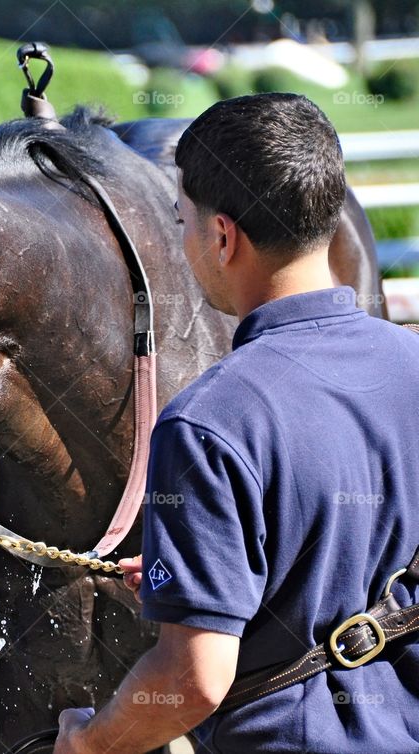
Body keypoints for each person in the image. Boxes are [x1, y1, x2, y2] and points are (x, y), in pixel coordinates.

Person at [56, 93, 419, 753]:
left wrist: (88, 743)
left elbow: (193, 679)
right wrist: (209, 573)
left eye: (182, 222)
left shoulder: (207, 421)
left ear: (222, 237)